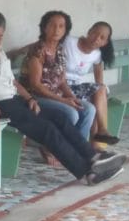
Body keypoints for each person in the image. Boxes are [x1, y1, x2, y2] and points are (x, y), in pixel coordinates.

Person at [0, 10, 126, 185]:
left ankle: (93, 157)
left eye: (0, 37)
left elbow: (13, 81)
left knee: (60, 118)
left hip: (15, 99)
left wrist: (29, 99)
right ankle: (86, 173)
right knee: (47, 129)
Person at [16, 11, 95, 142]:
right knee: (71, 113)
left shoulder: (60, 49)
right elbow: (36, 85)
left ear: (65, 30)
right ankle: (53, 146)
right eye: (52, 25)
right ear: (44, 28)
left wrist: (72, 97)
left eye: (61, 26)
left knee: (88, 109)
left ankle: (78, 146)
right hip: (35, 97)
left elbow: (62, 81)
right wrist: (63, 101)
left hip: (54, 96)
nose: (56, 30)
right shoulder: (38, 50)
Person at [63, 21, 119, 144]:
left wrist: (100, 94)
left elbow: (99, 79)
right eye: (95, 34)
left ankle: (100, 133)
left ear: (105, 43)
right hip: (60, 85)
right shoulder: (69, 42)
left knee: (99, 92)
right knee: (95, 97)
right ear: (89, 32)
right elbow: (44, 44)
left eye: (102, 38)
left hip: (76, 87)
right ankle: (96, 138)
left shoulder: (97, 54)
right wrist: (20, 51)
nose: (97, 39)